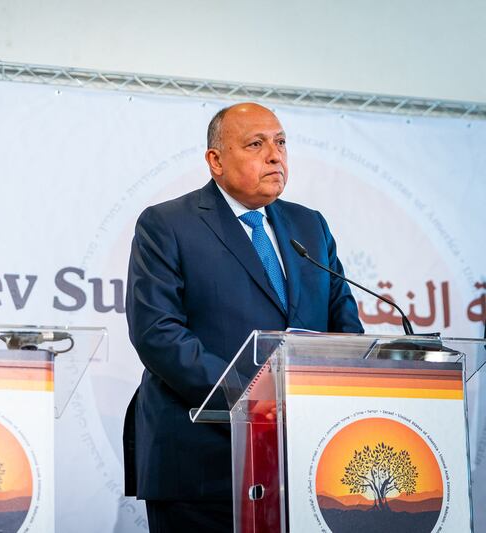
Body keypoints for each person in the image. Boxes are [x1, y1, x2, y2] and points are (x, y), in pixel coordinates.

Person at [123, 102, 364, 531]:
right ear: (215, 160)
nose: (275, 155)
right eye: (256, 144)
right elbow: (158, 333)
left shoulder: (311, 226)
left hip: (300, 463)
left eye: (281, 142)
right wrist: (254, 400)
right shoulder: (168, 224)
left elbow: (343, 326)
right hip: (202, 460)